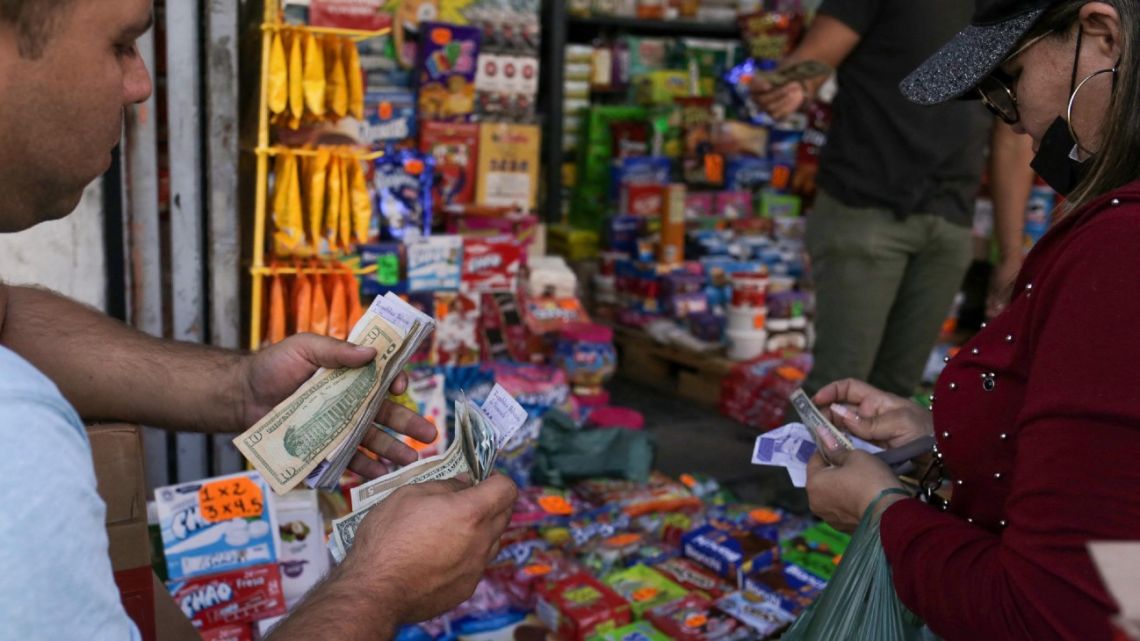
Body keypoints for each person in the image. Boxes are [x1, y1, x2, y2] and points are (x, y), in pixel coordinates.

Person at [0, 1, 517, 639]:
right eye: (121, 45)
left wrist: (239, 389)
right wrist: (379, 587)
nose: (140, 85)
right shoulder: (15, 444)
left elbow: (6, 319)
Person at [804, 1, 1140, 640]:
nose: (1011, 124)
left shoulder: (1121, 248)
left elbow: (1059, 613)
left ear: (1102, 36)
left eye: (1006, 82)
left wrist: (883, 511)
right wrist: (953, 433)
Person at [752, 0, 991, 398]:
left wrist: (1012, 253)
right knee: (838, 389)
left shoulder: (1006, 6)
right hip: (864, 209)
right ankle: (799, 463)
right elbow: (812, 62)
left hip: (952, 219)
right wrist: (790, 85)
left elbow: (1012, 136)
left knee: (896, 397)